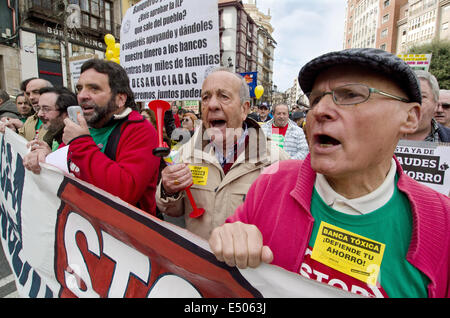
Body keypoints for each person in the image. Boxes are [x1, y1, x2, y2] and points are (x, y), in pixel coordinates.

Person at [209, 48, 450, 298]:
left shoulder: (442, 223)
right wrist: (227, 237)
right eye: (315, 99)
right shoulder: (272, 182)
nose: (319, 111)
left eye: (351, 95)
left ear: (410, 117)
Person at [155, 68, 289, 239]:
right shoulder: (185, 153)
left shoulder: (276, 161)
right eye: (205, 97)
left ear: (244, 109)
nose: (212, 105)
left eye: (223, 96)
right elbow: (172, 211)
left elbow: (287, 230)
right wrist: (168, 190)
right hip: (198, 263)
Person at [26, 59, 161, 216]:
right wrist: (46, 156)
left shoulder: (140, 130)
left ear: (120, 99)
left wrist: (80, 143)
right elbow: (67, 168)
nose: (82, 96)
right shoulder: (81, 126)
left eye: (94, 89)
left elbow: (124, 193)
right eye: (79, 88)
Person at [23, 87, 78, 173]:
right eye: (39, 108)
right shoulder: (51, 137)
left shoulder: (79, 142)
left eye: (46, 109)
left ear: (66, 113)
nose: (40, 114)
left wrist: (52, 158)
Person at [403, 70, 450, 142]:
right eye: (406, 96)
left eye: (421, 96)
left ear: (435, 103)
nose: (413, 102)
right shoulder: (380, 135)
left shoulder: (447, 137)